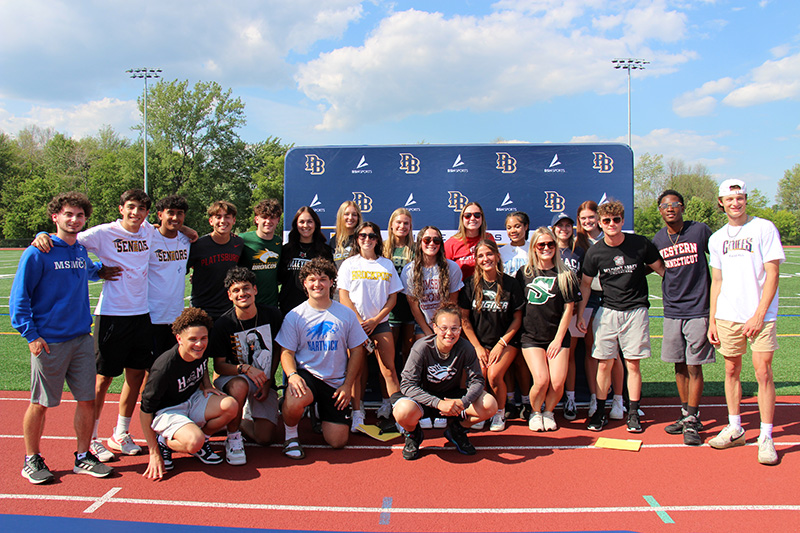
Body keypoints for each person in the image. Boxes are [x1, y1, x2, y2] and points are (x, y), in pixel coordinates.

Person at [33, 189, 160, 460]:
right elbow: (68, 241)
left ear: (147, 213)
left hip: (141, 314)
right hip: (112, 315)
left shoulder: (148, 231)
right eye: (131, 207)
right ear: (121, 208)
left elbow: (169, 225)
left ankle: (121, 432)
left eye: (142, 209)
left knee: (135, 376)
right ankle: (91, 439)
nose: (136, 213)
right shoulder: (103, 233)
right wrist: (42, 236)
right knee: (102, 380)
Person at [11, 192, 115, 483]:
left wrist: (102, 271)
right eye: (68, 214)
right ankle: (31, 459)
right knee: (40, 402)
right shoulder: (38, 251)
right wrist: (31, 335)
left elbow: (86, 271)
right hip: (50, 341)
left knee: (86, 399)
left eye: (80, 215)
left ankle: (83, 456)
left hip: (82, 337)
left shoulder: (80, 251)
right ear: (55, 217)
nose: (74, 220)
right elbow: (19, 299)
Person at [707, 179, 784, 465]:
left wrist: (760, 314)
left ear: (745, 199)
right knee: (731, 369)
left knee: (763, 371)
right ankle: (735, 426)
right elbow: (717, 280)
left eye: (739, 198)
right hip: (728, 315)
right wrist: (713, 319)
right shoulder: (717, 238)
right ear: (721, 203)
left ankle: (766, 435)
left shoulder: (763, 228)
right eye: (730, 199)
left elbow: (772, 274)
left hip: (760, 315)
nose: (735, 203)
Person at [577, 200, 664, 433]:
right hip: (608, 311)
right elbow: (585, 285)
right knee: (604, 365)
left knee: (632, 364)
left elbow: (662, 270)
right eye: (607, 221)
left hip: (636, 311)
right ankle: (599, 412)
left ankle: (633, 413)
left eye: (616, 220)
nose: (612, 224)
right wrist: (580, 314)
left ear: (623, 221)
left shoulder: (640, 244)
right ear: (600, 223)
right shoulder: (595, 252)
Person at [276, 257, 368, 459]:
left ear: (331, 282)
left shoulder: (346, 314)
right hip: (307, 376)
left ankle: (319, 412)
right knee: (294, 397)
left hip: (335, 383)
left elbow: (357, 351)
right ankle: (291, 437)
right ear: (304, 284)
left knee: (338, 442)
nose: (317, 284)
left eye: (323, 279)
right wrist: (292, 375)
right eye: (312, 280)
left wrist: (347, 385)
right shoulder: (295, 315)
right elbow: (287, 353)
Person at [140, 308, 238, 479]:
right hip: (168, 411)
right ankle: (164, 442)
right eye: (192, 339)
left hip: (192, 399)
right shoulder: (163, 368)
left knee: (231, 405)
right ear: (179, 339)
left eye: (203, 338)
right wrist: (153, 452)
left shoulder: (203, 348)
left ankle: (204, 441)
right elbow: (145, 412)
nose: (199, 344)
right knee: (194, 441)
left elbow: (204, 364)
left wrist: (207, 385)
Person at [392, 304, 498, 460]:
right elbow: (407, 385)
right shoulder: (421, 348)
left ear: (460, 329)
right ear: (434, 328)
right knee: (402, 411)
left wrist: (463, 402)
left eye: (454, 328)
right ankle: (413, 434)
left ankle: (457, 430)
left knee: (490, 405)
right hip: (424, 398)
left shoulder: (466, 348)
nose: (449, 333)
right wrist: (437, 403)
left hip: (453, 398)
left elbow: (477, 380)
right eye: (444, 328)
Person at [652, 190, 715, 446]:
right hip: (672, 310)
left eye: (674, 204)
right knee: (678, 364)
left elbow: (721, 258)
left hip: (699, 308)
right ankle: (685, 413)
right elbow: (647, 266)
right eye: (665, 205)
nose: (670, 208)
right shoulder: (658, 239)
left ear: (682, 207)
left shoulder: (700, 231)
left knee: (694, 365)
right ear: (660, 210)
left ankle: (692, 417)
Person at [209, 267, 283, 465]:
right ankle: (233, 438)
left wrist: (268, 381)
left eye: (246, 288)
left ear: (255, 290)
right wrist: (244, 368)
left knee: (265, 438)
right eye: (236, 291)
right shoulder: (223, 324)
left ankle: (235, 420)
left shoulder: (272, 315)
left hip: (263, 382)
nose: (242, 294)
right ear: (229, 295)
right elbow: (219, 366)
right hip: (235, 378)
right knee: (240, 385)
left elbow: (277, 350)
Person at [338, 221, 404, 432]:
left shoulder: (387, 265)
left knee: (389, 369)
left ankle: (396, 412)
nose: (367, 240)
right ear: (357, 239)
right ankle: (358, 414)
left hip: (381, 324)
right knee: (355, 371)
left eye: (372, 236)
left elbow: (392, 299)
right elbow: (344, 296)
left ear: (378, 239)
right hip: (355, 326)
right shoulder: (349, 264)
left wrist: (375, 320)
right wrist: (359, 321)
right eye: (362, 236)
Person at [516, 228, 581, 432]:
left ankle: (549, 411)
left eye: (550, 244)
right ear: (534, 247)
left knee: (558, 382)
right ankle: (535, 412)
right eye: (541, 245)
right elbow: (518, 308)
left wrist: (558, 339)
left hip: (557, 337)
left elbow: (569, 308)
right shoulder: (524, 273)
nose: (546, 248)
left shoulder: (565, 274)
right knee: (542, 379)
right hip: (531, 337)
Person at [458, 239, 524, 432]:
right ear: (476, 260)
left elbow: (518, 318)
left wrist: (501, 343)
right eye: (480, 256)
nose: (485, 259)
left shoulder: (510, 284)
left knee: (494, 376)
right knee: (481, 376)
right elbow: (464, 320)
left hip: (507, 342)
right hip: (480, 342)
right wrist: (477, 347)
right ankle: (482, 412)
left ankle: (499, 413)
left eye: (489, 254)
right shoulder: (470, 285)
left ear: (497, 256)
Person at [575, 200, 625, 419]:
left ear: (599, 218)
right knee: (592, 351)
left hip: (612, 299)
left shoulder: (612, 239)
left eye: (591, 217)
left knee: (613, 353)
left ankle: (620, 400)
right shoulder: (577, 243)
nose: (587, 221)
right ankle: (596, 398)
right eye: (583, 218)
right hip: (588, 300)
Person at [551, 212, 586, 421]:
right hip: (550, 312)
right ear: (553, 228)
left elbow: (584, 283)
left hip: (571, 310)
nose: (564, 229)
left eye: (567, 225)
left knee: (570, 355)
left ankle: (570, 398)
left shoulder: (579, 251)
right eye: (560, 225)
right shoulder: (547, 249)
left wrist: (578, 311)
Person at [498, 211, 532, 421]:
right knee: (507, 360)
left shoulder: (533, 249)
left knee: (522, 361)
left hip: (530, 312)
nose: (513, 230)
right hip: (507, 311)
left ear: (526, 227)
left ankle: (527, 402)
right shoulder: (502, 252)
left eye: (517, 226)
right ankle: (510, 400)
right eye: (509, 227)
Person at [149, 195, 193, 358]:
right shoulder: (149, 237)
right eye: (170, 213)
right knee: (148, 370)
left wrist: (185, 229)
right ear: (160, 215)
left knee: (172, 365)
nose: (175, 217)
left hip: (176, 317)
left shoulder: (186, 239)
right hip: (151, 315)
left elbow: (193, 235)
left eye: (180, 213)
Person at [188, 200, 245, 320]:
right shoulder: (198, 245)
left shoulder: (238, 244)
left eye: (227, 217)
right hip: (201, 309)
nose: (223, 221)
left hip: (227, 309)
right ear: (211, 221)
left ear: (233, 220)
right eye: (218, 217)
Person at [384, 208, 416, 411]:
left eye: (406, 223)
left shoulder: (415, 249)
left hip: (411, 309)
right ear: (391, 225)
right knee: (388, 359)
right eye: (398, 223)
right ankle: (389, 400)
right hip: (389, 310)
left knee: (409, 355)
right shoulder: (383, 249)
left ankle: (409, 396)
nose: (402, 227)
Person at [277, 206, 334, 316]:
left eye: (309, 222)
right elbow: (279, 278)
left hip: (317, 311)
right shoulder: (286, 250)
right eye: (301, 222)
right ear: (296, 225)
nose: (305, 225)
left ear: (315, 224)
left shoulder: (325, 251)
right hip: (289, 310)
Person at [239, 199, 283, 307]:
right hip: (248, 304)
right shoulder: (242, 240)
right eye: (264, 217)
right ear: (256, 219)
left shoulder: (278, 242)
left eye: (272, 217)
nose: (268, 221)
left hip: (271, 305)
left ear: (278, 220)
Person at [445, 202, 495, 280]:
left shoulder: (488, 238)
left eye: (477, 215)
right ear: (462, 219)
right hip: (462, 290)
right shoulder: (451, 243)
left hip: (486, 289)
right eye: (468, 216)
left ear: (482, 218)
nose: (472, 218)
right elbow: (444, 272)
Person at [332, 200, 362, 271]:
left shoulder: (362, 239)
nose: (350, 217)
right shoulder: (333, 241)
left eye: (354, 215)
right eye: (346, 214)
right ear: (340, 216)